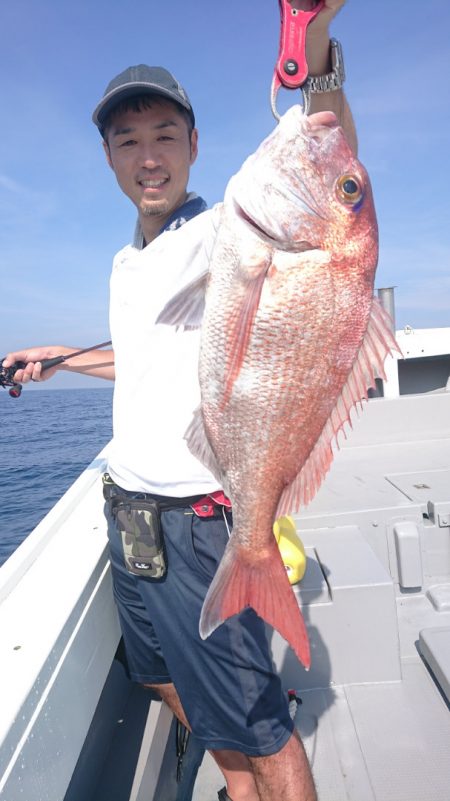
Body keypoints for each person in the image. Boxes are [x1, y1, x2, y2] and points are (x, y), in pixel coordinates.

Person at [4, 3, 357, 799]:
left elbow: (331, 175)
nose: (149, 156)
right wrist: (59, 359)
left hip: (193, 523)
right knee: (171, 682)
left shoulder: (226, 228)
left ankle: (258, 776)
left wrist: (315, 43)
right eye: (128, 140)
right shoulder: (128, 260)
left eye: (165, 135)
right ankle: (238, 785)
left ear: (195, 146)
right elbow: (145, 359)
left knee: (263, 727)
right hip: (127, 516)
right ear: (107, 157)